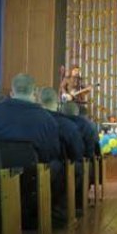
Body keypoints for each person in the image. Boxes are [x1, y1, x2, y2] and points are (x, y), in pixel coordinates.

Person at [0, 74, 64, 209]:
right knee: (57, 165)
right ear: (35, 93)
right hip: (32, 179)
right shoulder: (47, 119)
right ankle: (49, 210)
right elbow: (52, 152)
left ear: (12, 93)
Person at [39, 87, 85, 220]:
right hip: (54, 174)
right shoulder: (67, 125)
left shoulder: (28, 121)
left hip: (20, 174)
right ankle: (61, 208)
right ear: (57, 103)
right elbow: (78, 153)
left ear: (38, 100)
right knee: (76, 167)